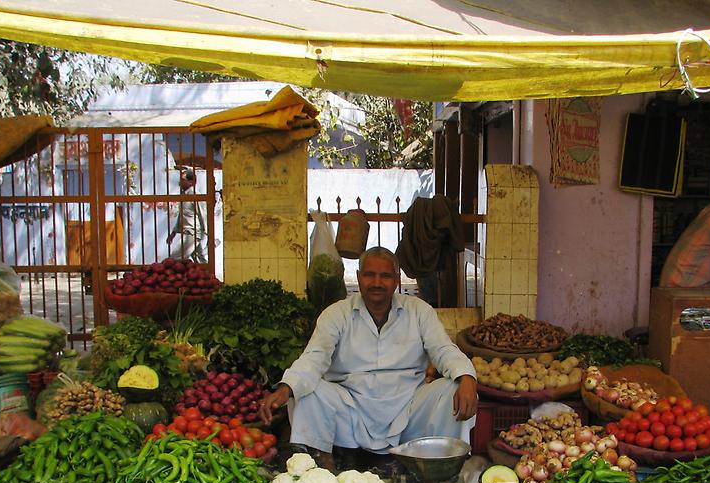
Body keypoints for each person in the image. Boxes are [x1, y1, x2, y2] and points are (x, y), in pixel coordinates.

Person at [259, 246, 478, 467]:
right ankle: (323, 461)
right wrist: (287, 387)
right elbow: (314, 358)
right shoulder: (337, 313)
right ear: (358, 278)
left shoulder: (419, 311)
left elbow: (443, 349)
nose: (376, 283)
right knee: (306, 391)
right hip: (350, 407)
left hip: (408, 406)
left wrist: (467, 377)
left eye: (385, 276)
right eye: (369, 275)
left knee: (453, 388)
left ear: (395, 279)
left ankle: (444, 467)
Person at [166, 167, 206, 263]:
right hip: (187, 231)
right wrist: (174, 232)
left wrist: (207, 235)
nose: (180, 183)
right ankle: (209, 275)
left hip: (192, 232)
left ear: (191, 182)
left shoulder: (195, 195)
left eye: (183, 180)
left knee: (174, 259)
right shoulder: (184, 195)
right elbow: (182, 216)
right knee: (199, 260)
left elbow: (203, 215)